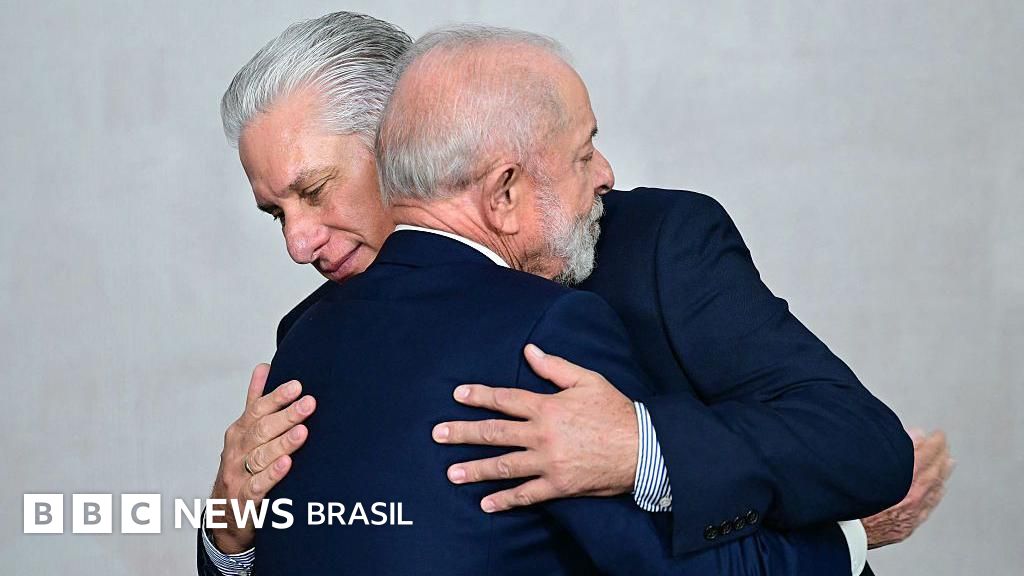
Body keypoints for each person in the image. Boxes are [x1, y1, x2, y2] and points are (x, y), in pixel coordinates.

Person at [200, 12, 953, 576]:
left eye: (314, 190)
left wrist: (642, 447)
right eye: (275, 213)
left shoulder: (656, 246)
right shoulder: (313, 334)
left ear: (403, 135)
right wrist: (230, 533)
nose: (297, 243)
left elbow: (856, 441)